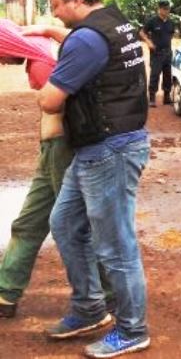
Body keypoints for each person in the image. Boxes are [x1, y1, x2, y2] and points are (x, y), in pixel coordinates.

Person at [34, 0, 150, 358]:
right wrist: (52, 38)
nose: (54, 13)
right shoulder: (116, 23)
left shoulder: (86, 39)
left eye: (56, 5)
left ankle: (133, 329)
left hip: (110, 150)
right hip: (99, 147)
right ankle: (89, 307)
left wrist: (44, 74)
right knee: (65, 223)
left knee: (116, 245)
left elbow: (50, 100)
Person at [0, 21, 113, 319]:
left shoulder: (41, 63)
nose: (1, 60)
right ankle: (6, 292)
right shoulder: (42, 51)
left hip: (62, 148)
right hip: (53, 149)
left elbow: (56, 106)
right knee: (30, 221)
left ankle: (109, 292)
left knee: (77, 223)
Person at [140, 0, 174, 107]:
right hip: (156, 53)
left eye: (168, 9)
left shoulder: (170, 22)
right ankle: (152, 98)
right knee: (155, 75)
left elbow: (171, 34)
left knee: (168, 75)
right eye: (164, 9)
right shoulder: (153, 21)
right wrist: (148, 42)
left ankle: (167, 97)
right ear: (159, 9)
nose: (166, 11)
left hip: (167, 52)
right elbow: (142, 32)